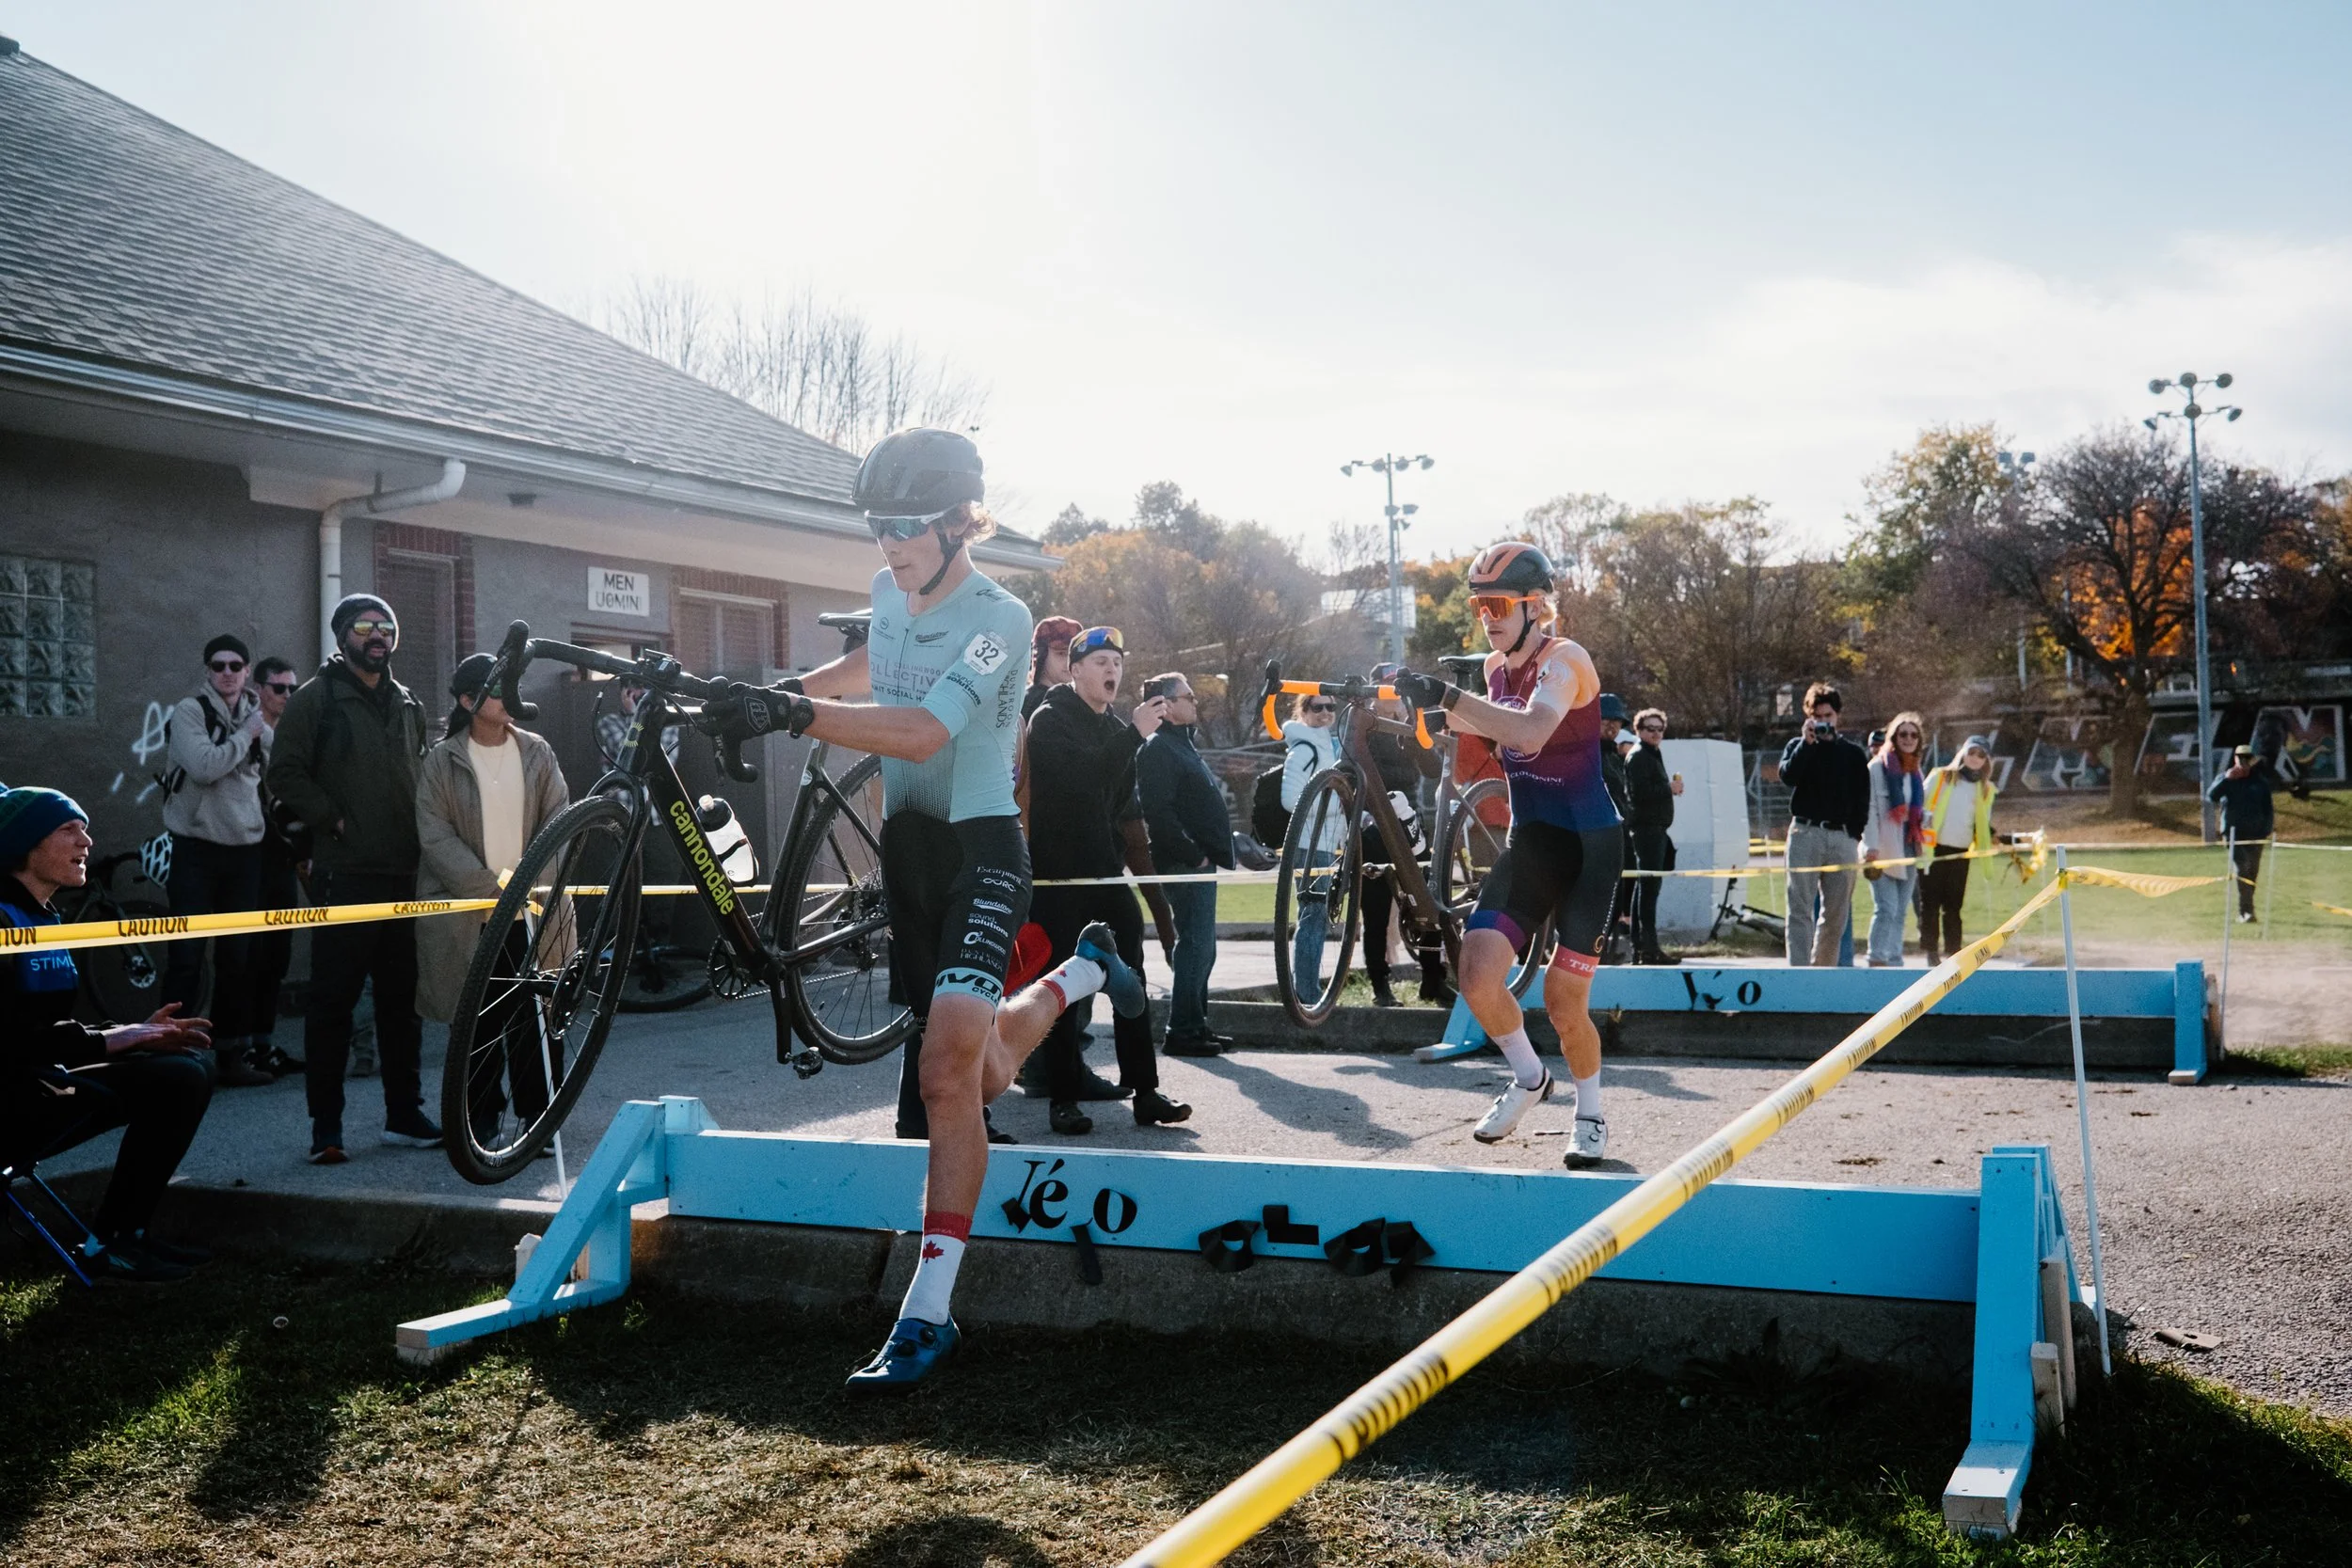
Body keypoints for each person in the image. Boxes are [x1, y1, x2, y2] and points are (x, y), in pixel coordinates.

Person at [697, 427, 1149, 1389]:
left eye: (902, 525)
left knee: (945, 1073)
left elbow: (921, 726)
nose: (886, 542)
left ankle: (928, 1310)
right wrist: (767, 692)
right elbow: (867, 672)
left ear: (956, 520)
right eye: (875, 525)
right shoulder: (886, 595)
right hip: (907, 854)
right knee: (976, 1073)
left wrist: (791, 717)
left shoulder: (1002, 614)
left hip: (983, 850)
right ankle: (1079, 971)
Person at [1388, 541, 1623, 1167]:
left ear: (1536, 606)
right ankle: (1528, 1078)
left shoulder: (1565, 660)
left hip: (1589, 848)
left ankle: (1592, 1113)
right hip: (1533, 842)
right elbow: (1475, 744)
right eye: (1479, 606)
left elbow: (1528, 730)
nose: (1487, 617)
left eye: (1497, 604)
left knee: (1563, 1004)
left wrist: (1446, 699)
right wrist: (1404, 702)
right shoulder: (1495, 669)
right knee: (1475, 974)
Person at [0, 787, 215, 1282]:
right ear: (25, 843)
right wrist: (113, 1040)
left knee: (193, 1064)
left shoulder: (43, 915)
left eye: (85, 828)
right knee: (176, 1079)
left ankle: (118, 1241)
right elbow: (13, 1037)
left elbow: (44, 1028)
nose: (87, 841)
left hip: (37, 1081)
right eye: (68, 829)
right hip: (12, 1098)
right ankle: (113, 1244)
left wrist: (132, 1031)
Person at [264, 594, 438, 1164]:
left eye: (386, 626)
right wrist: (332, 818)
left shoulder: (408, 703)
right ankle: (327, 1128)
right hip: (346, 874)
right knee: (332, 1004)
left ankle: (404, 1116)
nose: (377, 635)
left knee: (400, 1003)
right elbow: (284, 772)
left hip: (404, 872)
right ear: (343, 637)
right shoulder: (316, 699)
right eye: (365, 626)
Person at [1025, 628, 1191, 1133]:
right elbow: (1079, 785)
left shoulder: (1113, 725)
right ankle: (1063, 1098)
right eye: (1099, 661)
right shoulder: (1050, 719)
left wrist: (1128, 739)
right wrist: (1133, 737)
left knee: (1132, 980)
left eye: (1116, 662)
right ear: (1074, 671)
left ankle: (1145, 1091)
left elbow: (1115, 799)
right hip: (1059, 879)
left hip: (1102, 873)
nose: (1111, 671)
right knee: (1059, 988)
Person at [415, 655, 573, 1141]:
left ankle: (537, 1120)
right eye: (500, 688)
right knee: (477, 1023)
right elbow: (435, 835)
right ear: (468, 701)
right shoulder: (441, 760)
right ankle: (479, 1122)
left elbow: (560, 819)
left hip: (534, 909)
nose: (513, 694)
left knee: (537, 1016)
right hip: (473, 913)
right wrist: (489, 888)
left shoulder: (538, 751)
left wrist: (529, 883)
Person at [159, 634, 276, 1087]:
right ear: (208, 670)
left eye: (235, 665)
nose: (227, 672)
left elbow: (276, 764)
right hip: (196, 849)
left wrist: (258, 730)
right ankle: (170, 1056)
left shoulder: (255, 714)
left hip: (245, 851)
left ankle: (230, 1058)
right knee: (187, 956)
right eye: (218, 665)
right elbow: (204, 766)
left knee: (237, 958)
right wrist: (246, 734)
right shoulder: (191, 711)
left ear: (247, 670)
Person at [1137, 671, 1235, 1056]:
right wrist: (1194, 853)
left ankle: (1198, 1026)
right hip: (1184, 863)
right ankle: (1182, 1030)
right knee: (1194, 944)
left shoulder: (1182, 745)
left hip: (1198, 862)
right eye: (1188, 697)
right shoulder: (1158, 748)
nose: (1195, 702)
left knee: (1203, 946)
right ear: (1166, 706)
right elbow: (1157, 813)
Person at [1360, 665, 1451, 1007]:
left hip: (1411, 824)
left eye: (1397, 688)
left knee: (1429, 904)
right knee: (1376, 912)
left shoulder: (1412, 723)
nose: (1392, 694)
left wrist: (1415, 737)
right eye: (1385, 687)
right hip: (1375, 826)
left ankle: (1432, 979)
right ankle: (1380, 985)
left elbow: (1432, 769)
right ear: (1375, 693)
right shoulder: (1364, 728)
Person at [246, 656, 308, 1077]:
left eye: (292, 689)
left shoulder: (293, 734)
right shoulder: (250, 731)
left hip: (285, 854)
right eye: (279, 688)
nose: (286, 696)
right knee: (249, 955)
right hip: (251, 854)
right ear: (260, 690)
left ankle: (265, 1046)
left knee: (277, 954)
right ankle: (243, 1049)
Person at [1777, 682, 1869, 967]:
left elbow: (1862, 797)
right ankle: (1799, 974)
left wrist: (1854, 836)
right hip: (1805, 833)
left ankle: (1823, 974)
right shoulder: (1798, 746)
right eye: (1818, 717)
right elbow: (1788, 777)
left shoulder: (1853, 754)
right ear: (1808, 717)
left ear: (1837, 716)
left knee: (1836, 914)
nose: (1824, 722)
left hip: (1841, 837)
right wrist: (1806, 745)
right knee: (1800, 909)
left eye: (1828, 716)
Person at [1279, 687, 1344, 984]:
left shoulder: (1329, 745)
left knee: (1317, 917)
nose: (1325, 713)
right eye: (1317, 708)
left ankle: (1309, 985)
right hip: (1309, 845)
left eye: (1330, 707)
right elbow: (1292, 799)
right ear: (1303, 712)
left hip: (1327, 845)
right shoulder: (1304, 747)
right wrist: (1341, 803)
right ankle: (1305, 989)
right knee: (1312, 917)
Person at [1919, 735, 1998, 965]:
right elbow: (1922, 803)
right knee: (1931, 902)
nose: (1975, 759)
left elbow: (1981, 821)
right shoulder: (1942, 777)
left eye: (1981, 755)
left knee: (1954, 905)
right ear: (1963, 753)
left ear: (1986, 761)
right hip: (1934, 848)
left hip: (1961, 851)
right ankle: (1931, 951)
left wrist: (1992, 836)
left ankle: (1953, 952)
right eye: (1972, 753)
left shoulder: (1985, 789)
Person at [1861, 711, 1928, 967]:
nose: (1909, 739)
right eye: (1903, 734)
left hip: (1909, 844)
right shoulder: (1877, 768)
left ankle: (1895, 960)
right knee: (1886, 907)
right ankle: (1877, 958)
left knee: (1900, 910)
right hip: (1882, 846)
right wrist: (1871, 846)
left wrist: (1925, 818)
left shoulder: (1915, 770)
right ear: (1894, 737)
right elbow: (1870, 810)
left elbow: (1915, 808)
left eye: (1914, 734)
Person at [1624, 707, 1684, 965]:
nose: (1656, 733)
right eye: (1650, 728)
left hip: (1655, 829)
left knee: (1646, 888)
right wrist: (1667, 788)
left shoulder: (1651, 753)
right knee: (1648, 891)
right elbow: (1638, 793)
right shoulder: (1639, 756)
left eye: (1660, 729)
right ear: (1639, 731)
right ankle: (1647, 948)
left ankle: (1644, 946)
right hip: (1647, 830)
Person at [2208, 743, 2275, 923]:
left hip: (2257, 834)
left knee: (2252, 872)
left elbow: (2268, 808)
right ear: (2235, 759)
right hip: (2233, 834)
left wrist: (2267, 829)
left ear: (2252, 760)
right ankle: (2245, 911)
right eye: (2240, 758)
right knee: (2242, 867)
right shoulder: (2227, 777)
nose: (2243, 762)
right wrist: (2227, 780)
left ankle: (2248, 908)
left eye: (2247, 758)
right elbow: (2211, 796)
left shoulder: (2259, 782)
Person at [1022, 616, 1082, 721]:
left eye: (1073, 654)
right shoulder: (1030, 704)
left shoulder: (1074, 701)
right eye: (1061, 653)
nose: (1069, 661)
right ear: (1041, 656)